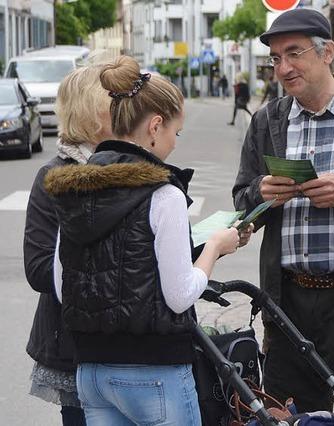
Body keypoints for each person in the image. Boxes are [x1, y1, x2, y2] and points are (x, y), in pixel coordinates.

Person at [44, 55, 251, 425]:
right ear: (155, 126)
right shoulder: (163, 194)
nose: (174, 143)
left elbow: (62, 287)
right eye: (176, 132)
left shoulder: (74, 187)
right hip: (156, 371)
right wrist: (216, 247)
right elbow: (180, 295)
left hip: (91, 372)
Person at [233, 8, 334, 413]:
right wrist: (261, 192)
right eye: (275, 59)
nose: (283, 68)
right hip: (285, 302)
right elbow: (242, 197)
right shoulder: (268, 120)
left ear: (327, 53)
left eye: (294, 54)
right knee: (290, 417)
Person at [23, 62, 112, 426]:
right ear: (93, 112)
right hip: (77, 345)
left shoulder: (136, 164)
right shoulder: (53, 177)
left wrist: (211, 244)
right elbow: (39, 269)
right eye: (117, 100)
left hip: (136, 347)